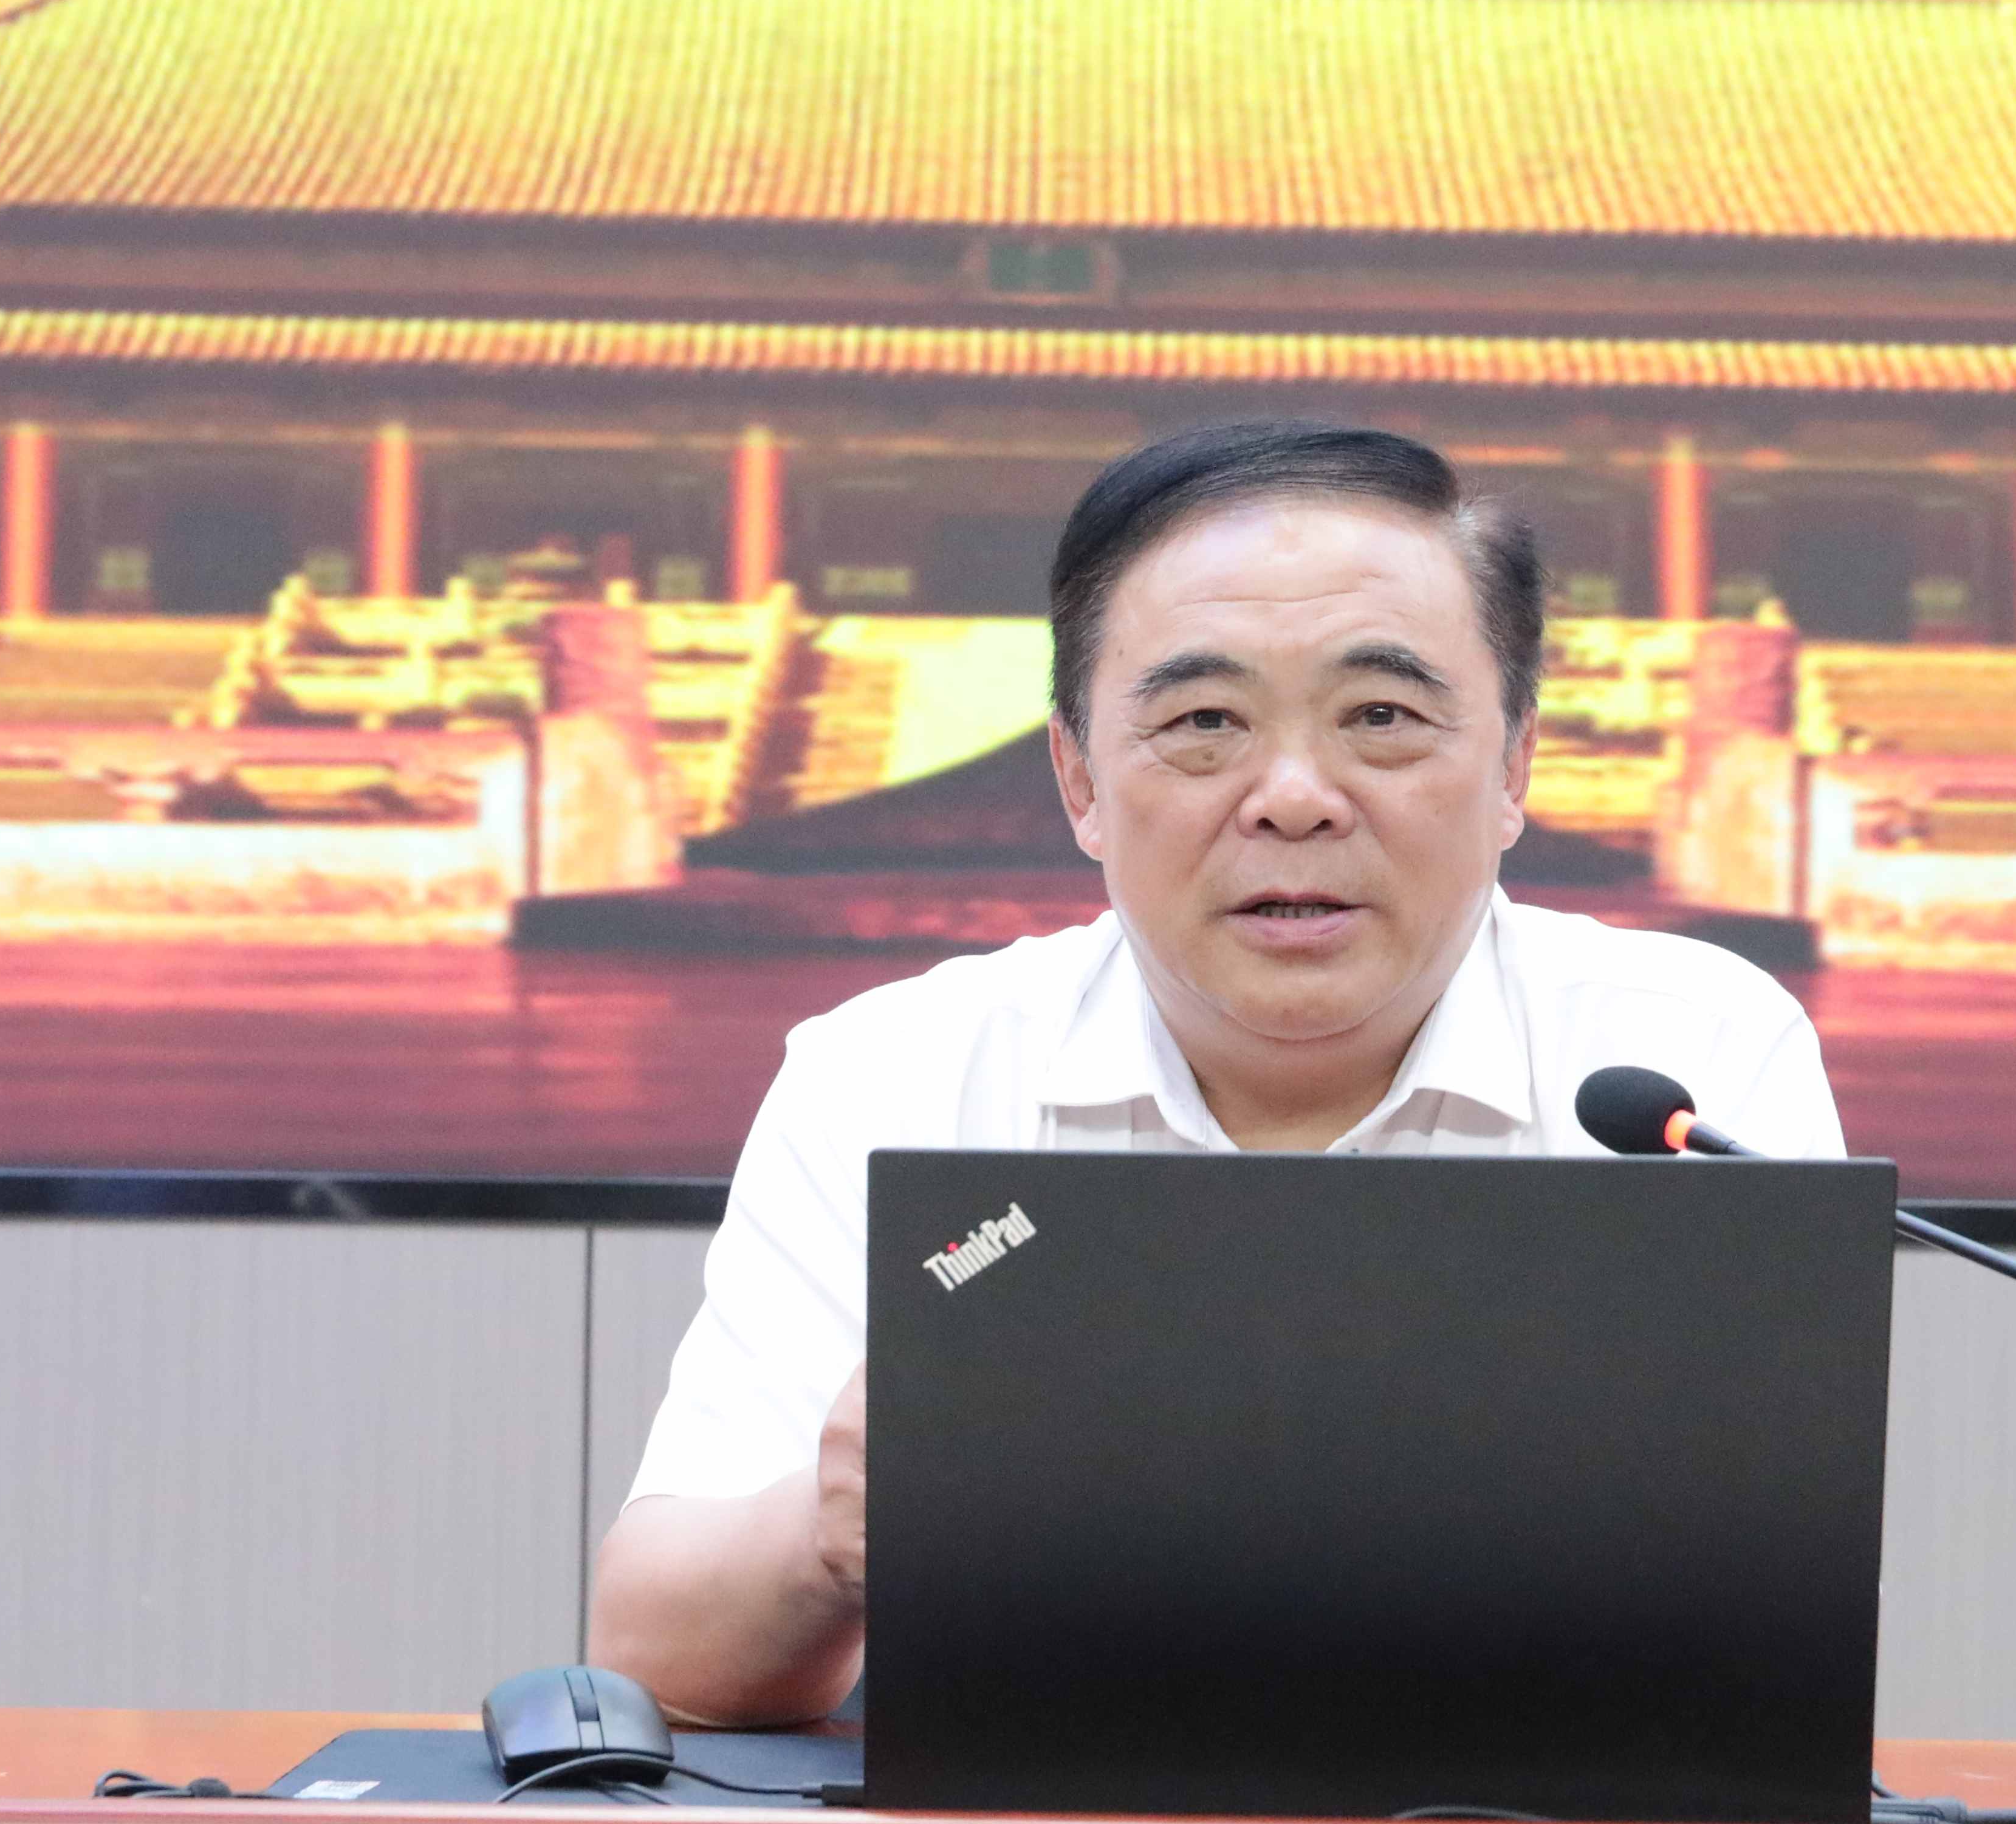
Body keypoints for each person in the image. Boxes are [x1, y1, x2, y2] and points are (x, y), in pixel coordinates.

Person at [583, 420, 1846, 1724]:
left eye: (1381, 716)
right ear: (1079, 779)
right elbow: (653, 1652)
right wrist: (830, 1532)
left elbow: (1769, 1632)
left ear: (1516, 763)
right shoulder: (893, 1072)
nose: (1294, 796)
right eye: (1203, 722)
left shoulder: (1691, 1062)